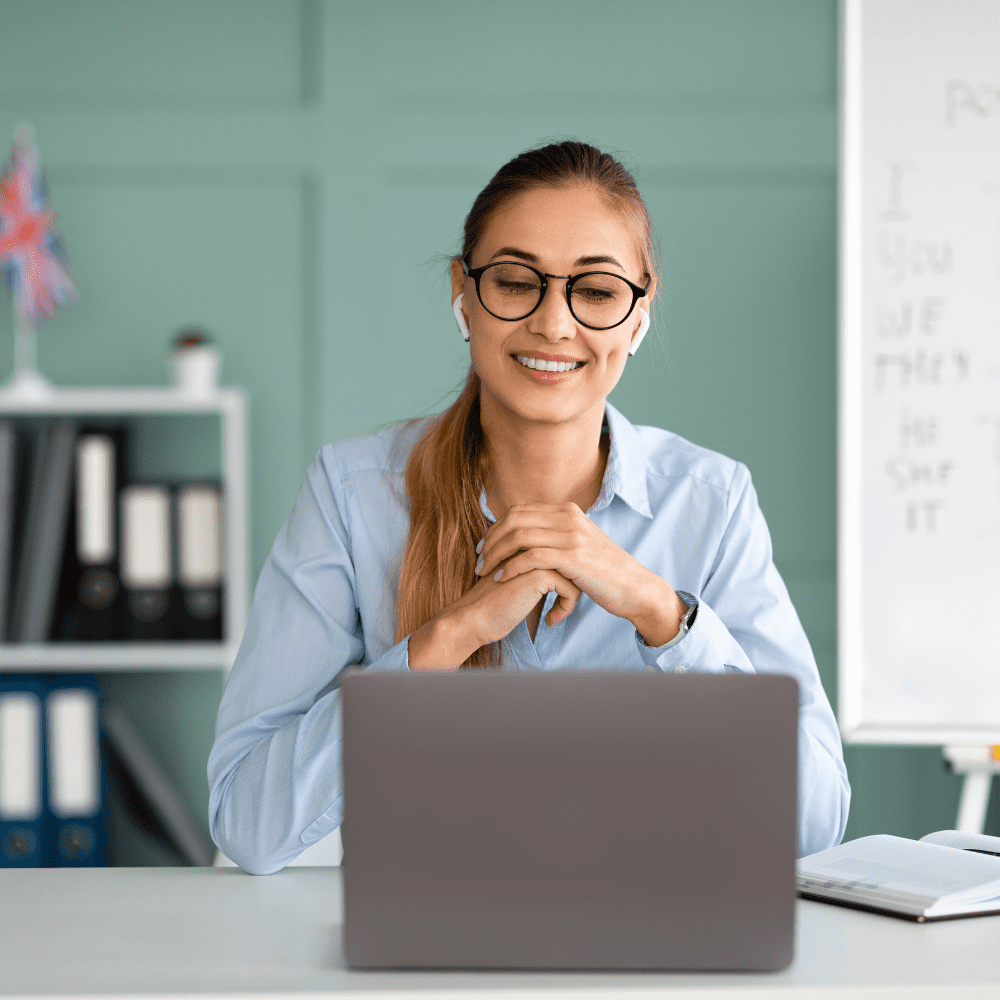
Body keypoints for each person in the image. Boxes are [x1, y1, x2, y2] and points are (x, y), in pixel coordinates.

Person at [208, 141, 850, 875]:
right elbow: (246, 822)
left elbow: (816, 821)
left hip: (656, 964)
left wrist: (660, 612)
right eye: (516, 282)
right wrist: (448, 637)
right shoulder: (352, 495)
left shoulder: (711, 503)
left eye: (598, 291)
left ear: (639, 316)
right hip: (423, 975)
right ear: (463, 292)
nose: (553, 324)